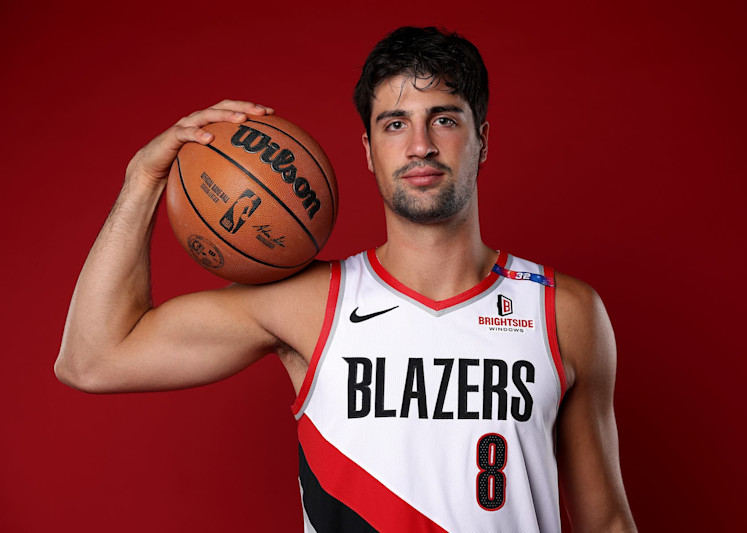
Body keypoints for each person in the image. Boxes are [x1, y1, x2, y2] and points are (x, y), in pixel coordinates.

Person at [56, 26, 636, 533]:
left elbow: (605, 521)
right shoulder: (310, 303)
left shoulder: (562, 311)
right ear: (368, 150)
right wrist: (143, 179)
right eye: (394, 124)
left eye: (444, 119)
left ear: (482, 138)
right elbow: (92, 358)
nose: (420, 146)